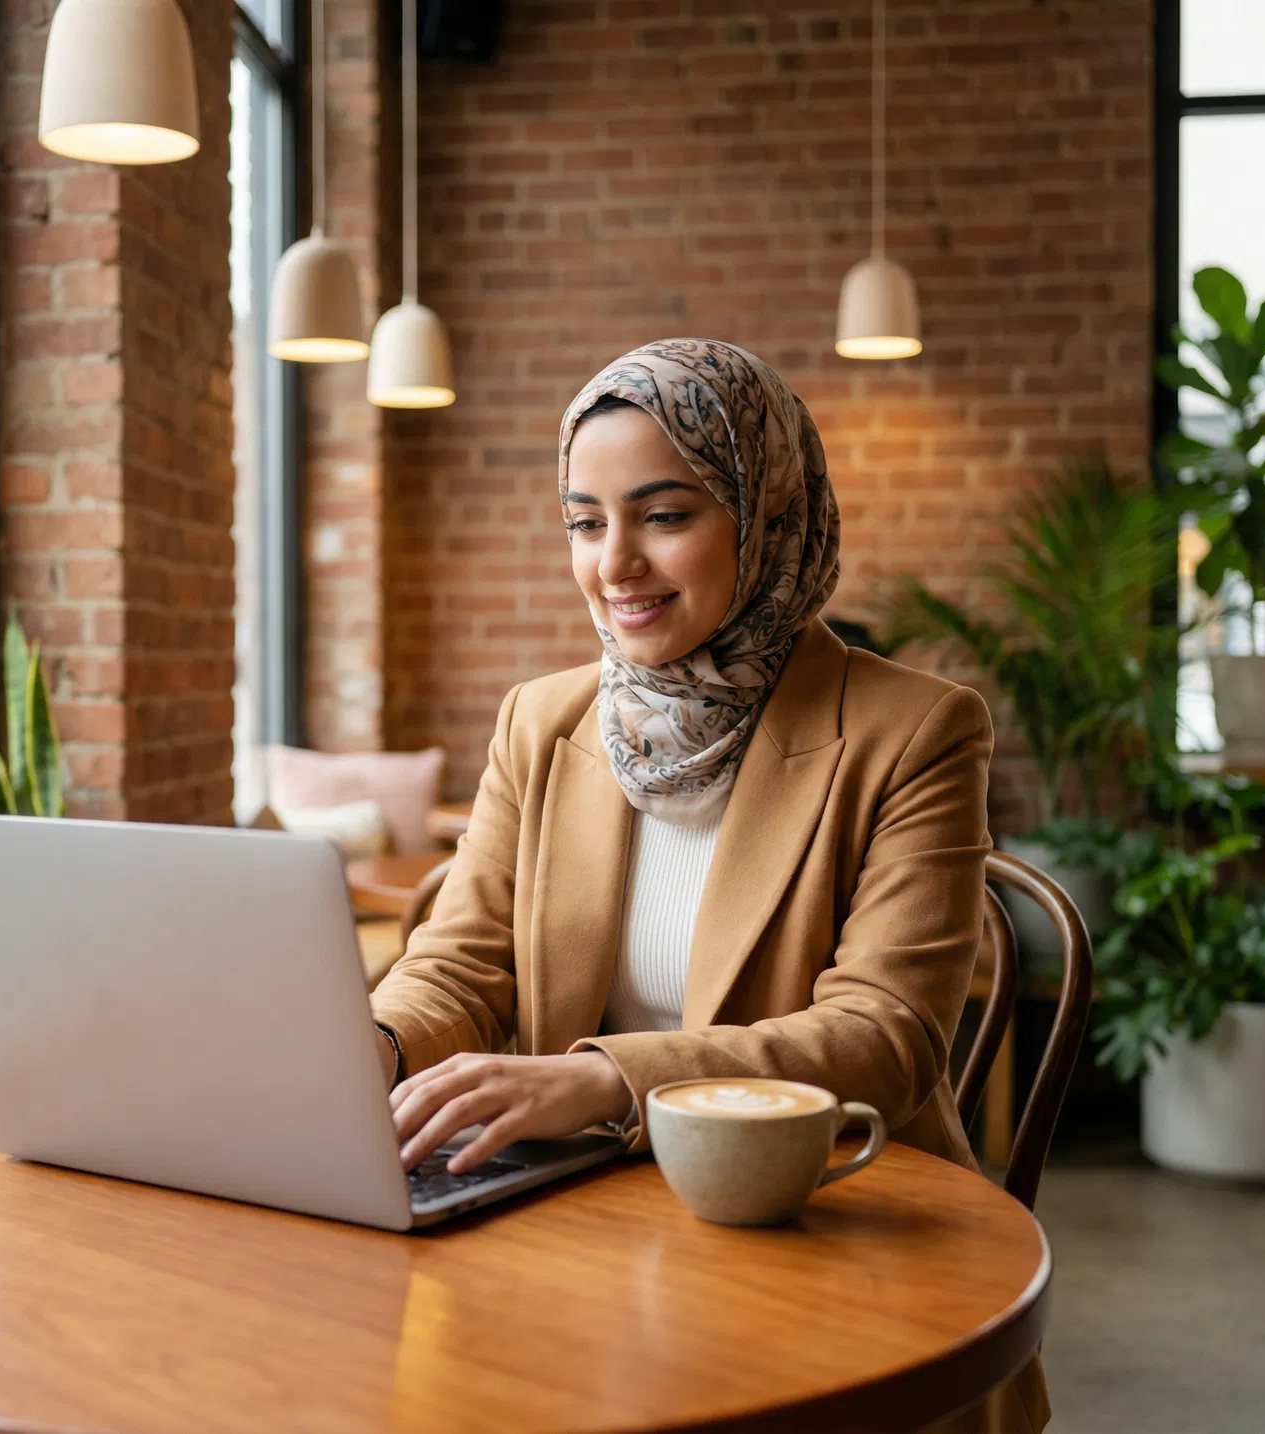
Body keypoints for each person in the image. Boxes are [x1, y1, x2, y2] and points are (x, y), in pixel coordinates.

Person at [368, 338, 1047, 1432]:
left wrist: (601, 1083)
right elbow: (460, 962)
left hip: (827, 1229)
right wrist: (379, 1045)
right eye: (586, 522)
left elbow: (884, 1036)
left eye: (665, 515)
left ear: (765, 512)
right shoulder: (541, 722)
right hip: (575, 1232)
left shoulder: (915, 729)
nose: (615, 563)